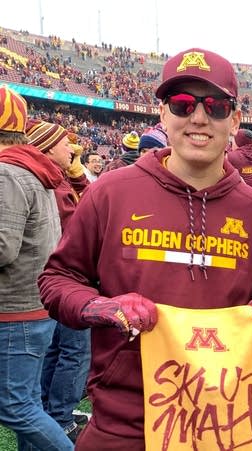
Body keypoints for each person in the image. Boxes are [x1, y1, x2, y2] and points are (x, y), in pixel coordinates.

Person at [38, 47, 252, 451]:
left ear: (235, 119)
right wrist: (103, 307)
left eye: (216, 106)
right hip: (124, 420)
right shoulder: (111, 193)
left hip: (224, 421)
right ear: (164, 115)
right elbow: (57, 279)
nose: (199, 118)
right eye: (182, 104)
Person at [0, 85, 74, 450]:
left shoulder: (7, 173)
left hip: (14, 310)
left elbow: (2, 247)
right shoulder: (29, 169)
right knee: (26, 403)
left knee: (15, 407)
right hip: (31, 305)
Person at [26, 121, 92, 444]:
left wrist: (78, 174)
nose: (73, 149)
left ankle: (49, 409)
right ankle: (61, 418)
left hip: (56, 279)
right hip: (67, 278)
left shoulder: (52, 177)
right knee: (76, 351)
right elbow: (88, 217)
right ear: (49, 148)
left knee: (58, 349)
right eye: (65, 144)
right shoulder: (50, 181)